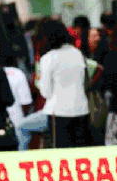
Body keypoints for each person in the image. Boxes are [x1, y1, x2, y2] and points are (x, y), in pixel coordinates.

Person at [38, 20, 90, 148]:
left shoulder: (48, 58)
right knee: (80, 155)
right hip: (81, 109)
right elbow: (85, 83)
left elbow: (46, 92)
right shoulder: (78, 54)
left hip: (58, 111)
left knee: (61, 155)